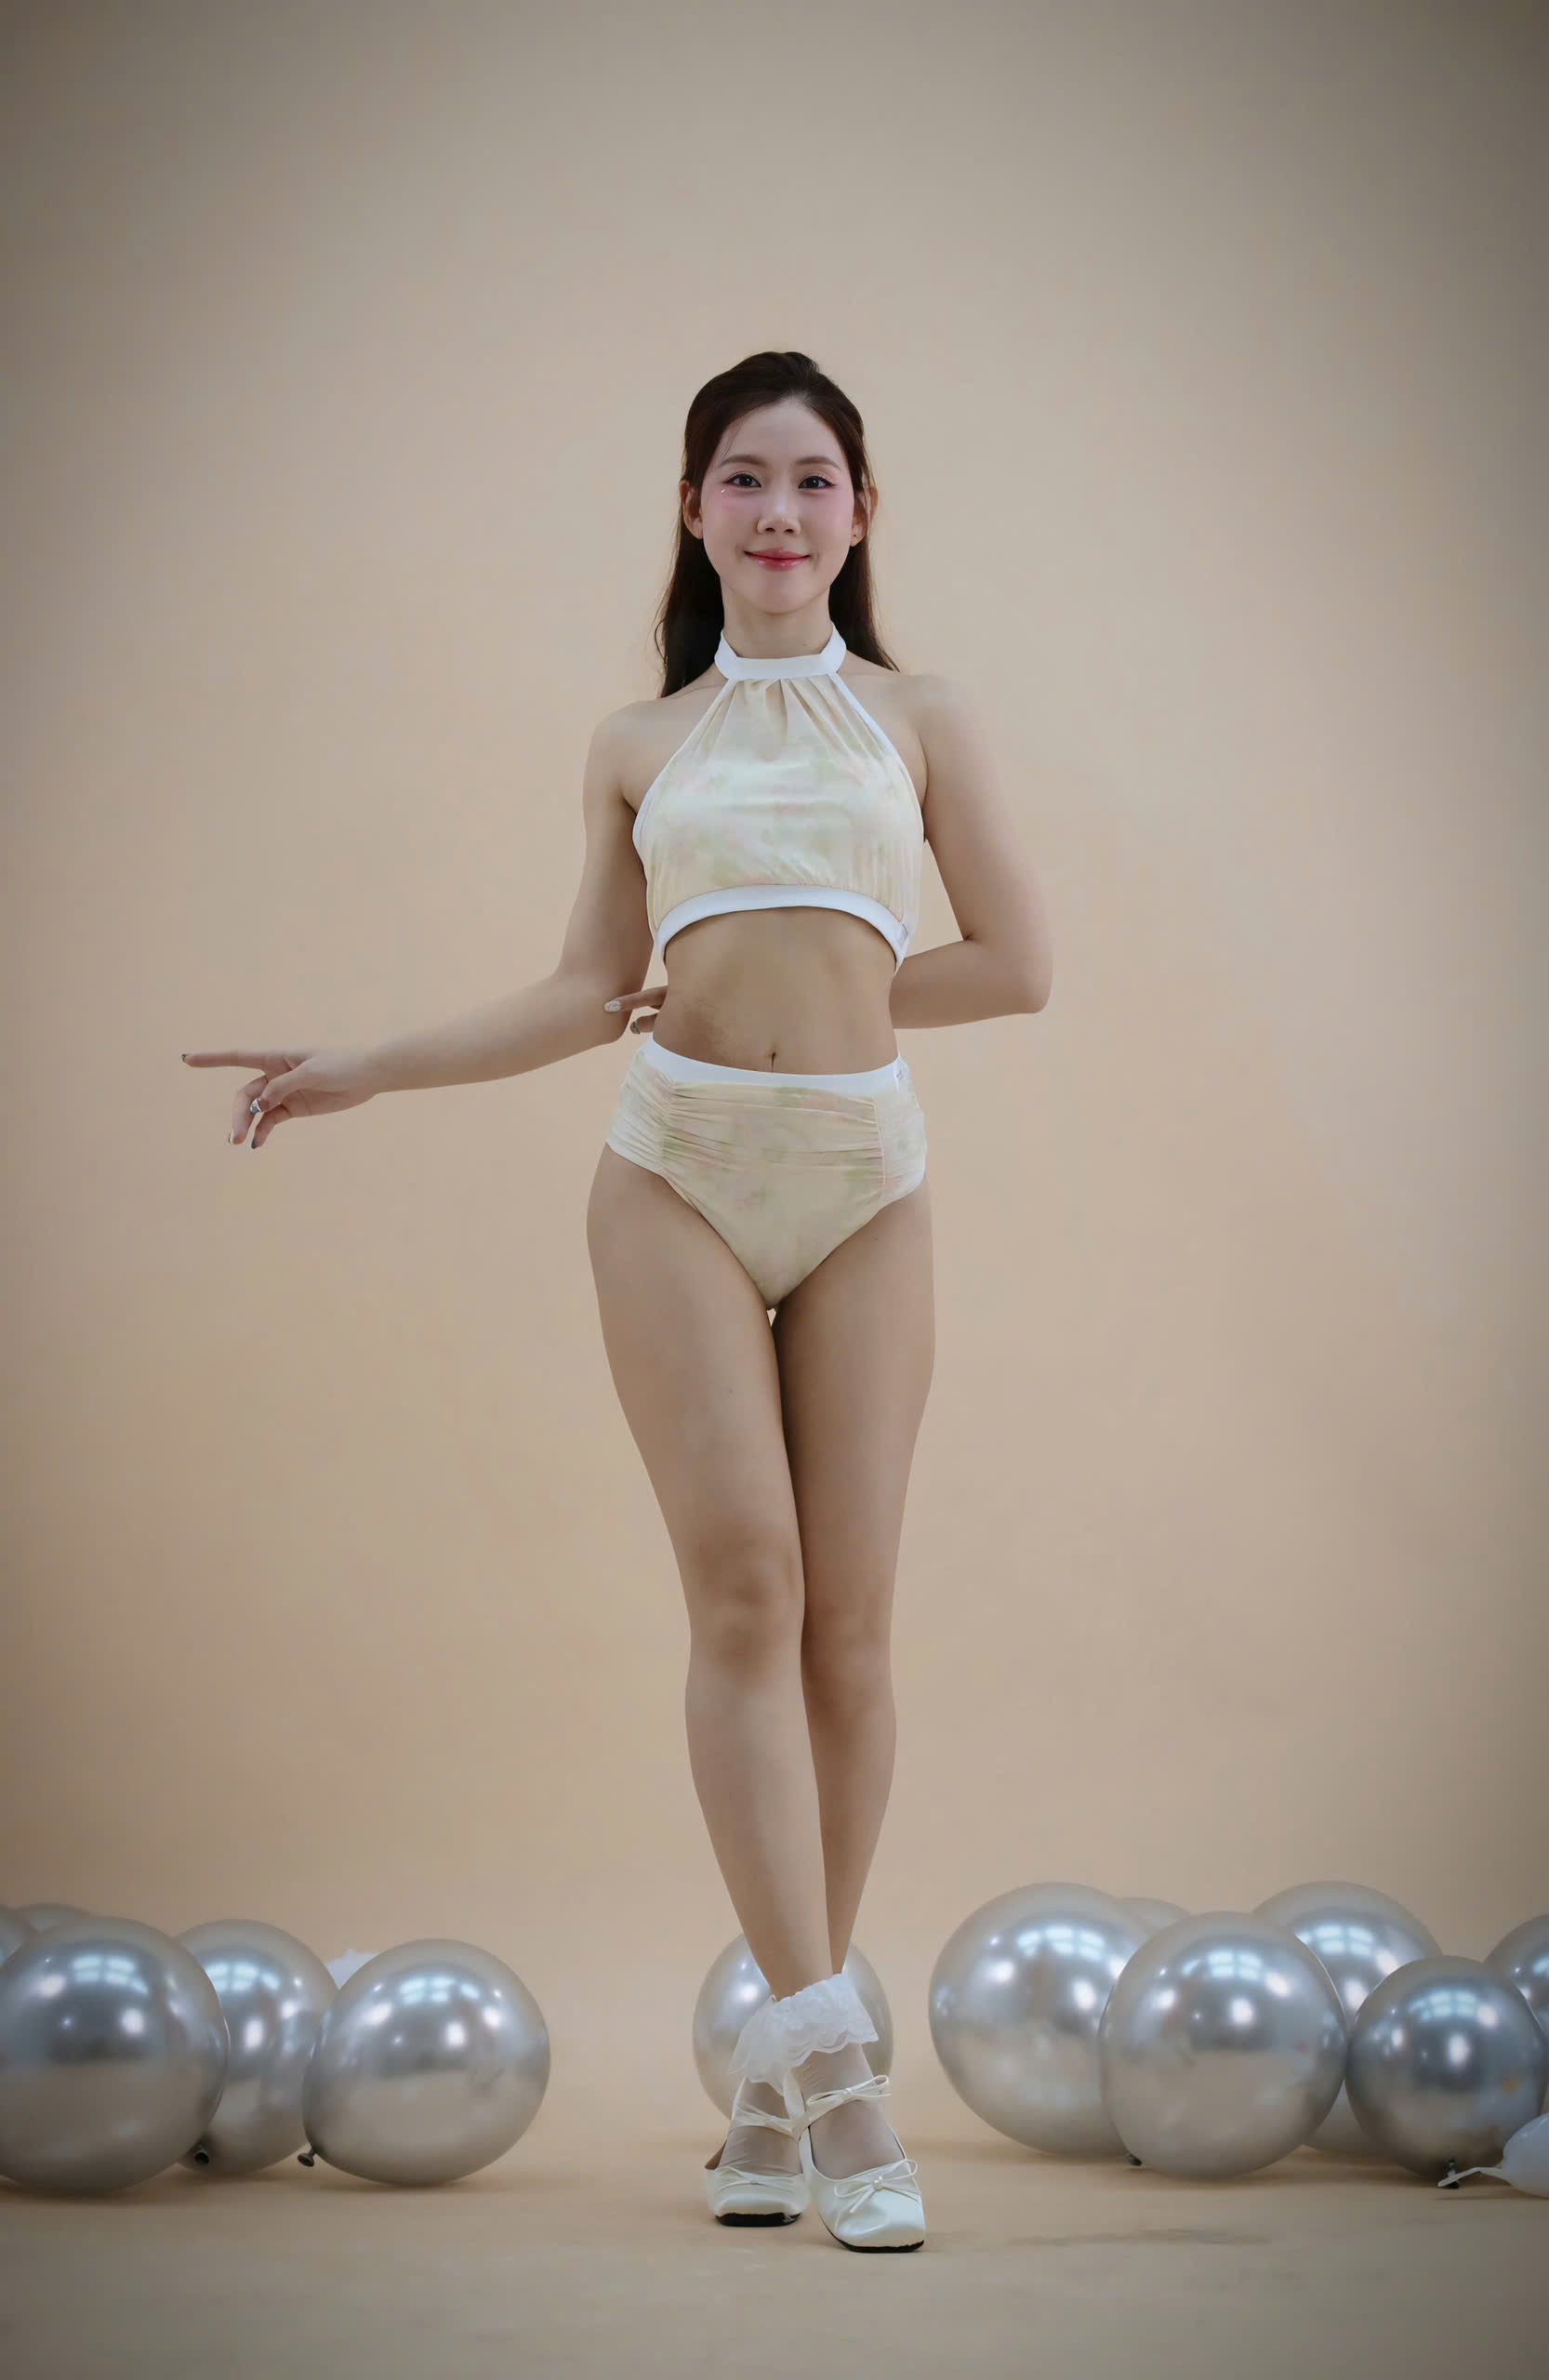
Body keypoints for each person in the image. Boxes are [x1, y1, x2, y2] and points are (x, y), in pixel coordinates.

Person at [182, 350, 1052, 2251]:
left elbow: (1017, 963)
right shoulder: (636, 741)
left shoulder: (919, 717)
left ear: (860, 513)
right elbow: (583, 991)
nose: (777, 511)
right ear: (691, 509)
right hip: (673, 1172)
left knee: (849, 1630)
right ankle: (834, 2072)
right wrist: (361, 1065)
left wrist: (833, 988)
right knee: (743, 1588)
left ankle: (767, 2077)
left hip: (864, 1178)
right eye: (742, 478)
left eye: (811, 480)